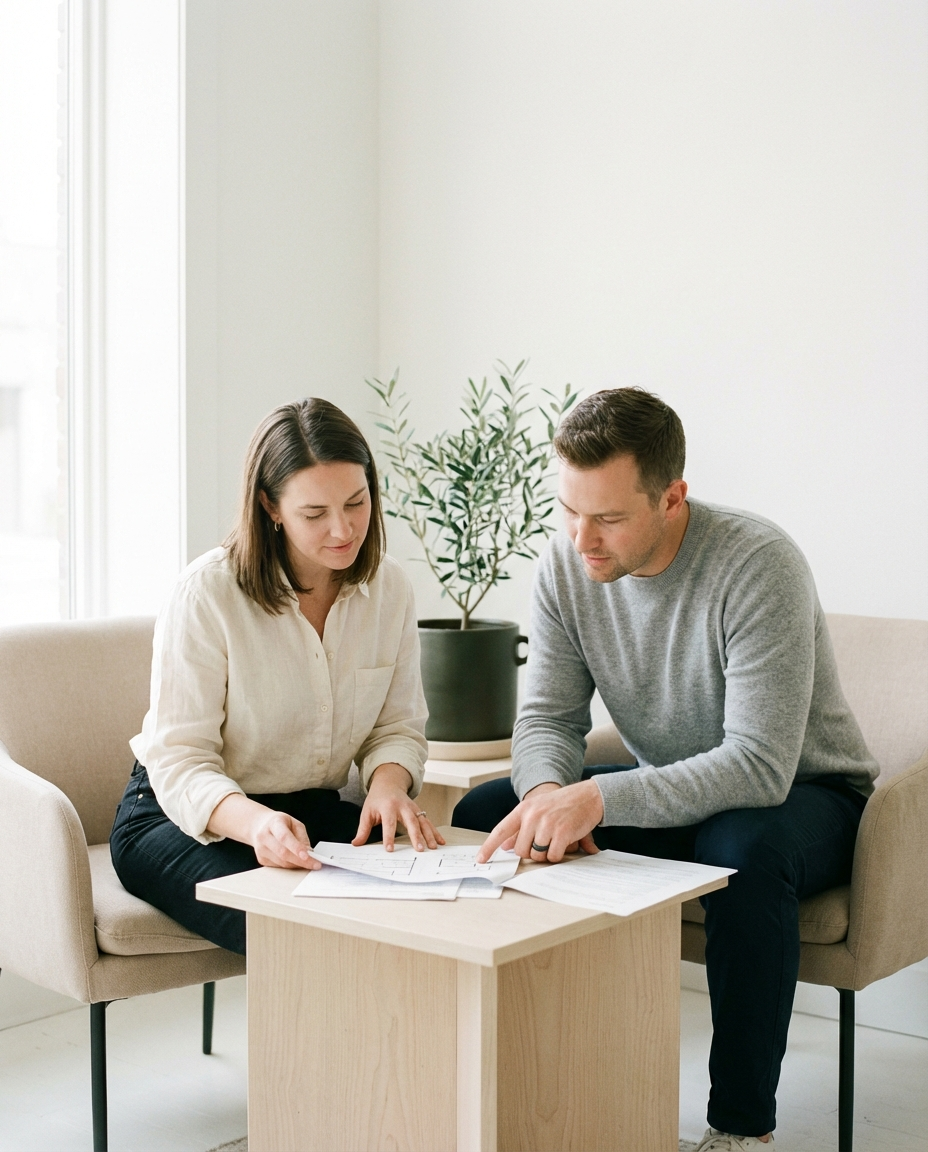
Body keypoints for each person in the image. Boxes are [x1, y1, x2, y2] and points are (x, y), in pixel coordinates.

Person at [455, 387, 877, 1152]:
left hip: (803, 796)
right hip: (675, 793)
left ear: (672, 497)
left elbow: (758, 767)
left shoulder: (758, 564)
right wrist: (550, 796)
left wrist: (599, 801)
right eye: (570, 510)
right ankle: (535, 1088)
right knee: (491, 814)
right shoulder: (566, 564)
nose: (583, 540)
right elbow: (549, 717)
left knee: (745, 852)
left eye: (609, 518)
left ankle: (741, 1127)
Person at [111, 398, 442, 956]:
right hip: (180, 816)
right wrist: (253, 823)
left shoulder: (390, 589)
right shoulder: (207, 594)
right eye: (315, 514)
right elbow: (180, 759)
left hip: (303, 810)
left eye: (356, 503)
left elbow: (397, 726)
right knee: (294, 933)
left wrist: (387, 787)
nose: (343, 529)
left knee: (424, 908)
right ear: (270, 507)